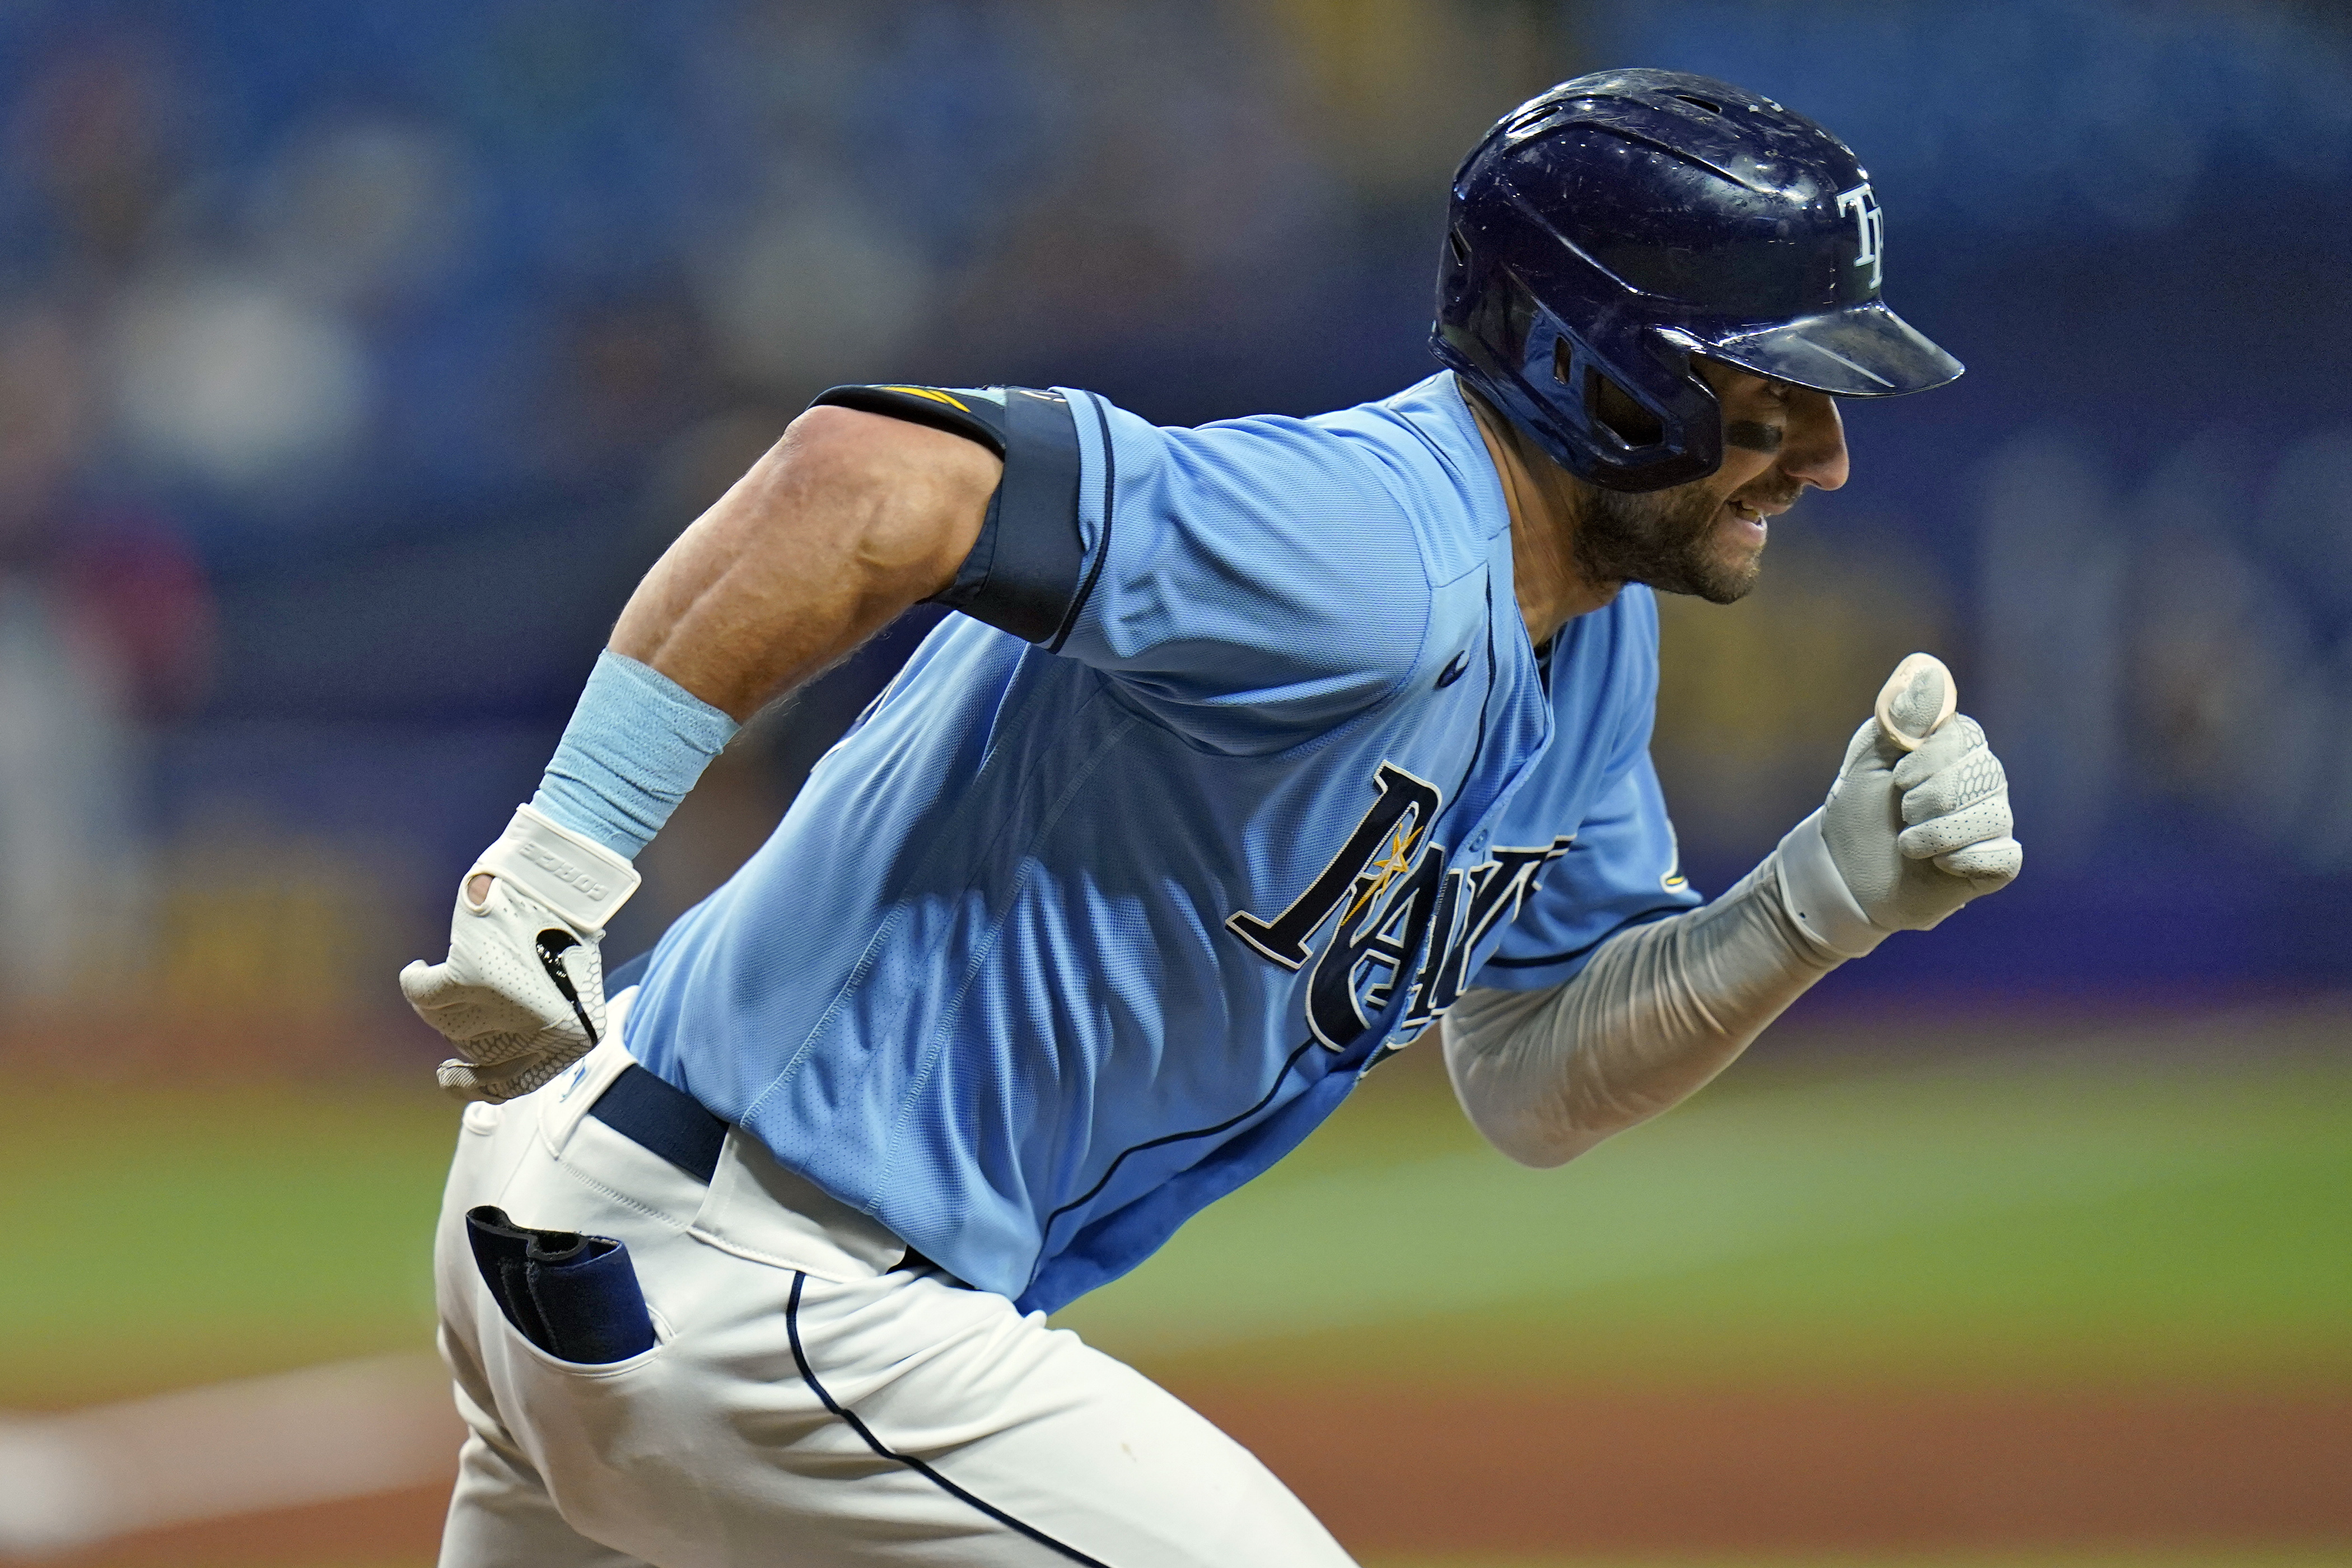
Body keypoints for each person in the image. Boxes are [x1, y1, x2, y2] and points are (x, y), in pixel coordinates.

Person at [403, 69, 2020, 1567]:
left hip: (648, 1234)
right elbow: (853, 478)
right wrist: (560, 854)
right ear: (1600, 371)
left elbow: (1530, 1079)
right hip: (758, 1269)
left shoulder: (1592, 638)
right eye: (1774, 395)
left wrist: (1818, 899)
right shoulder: (1365, 549)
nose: (1824, 459)